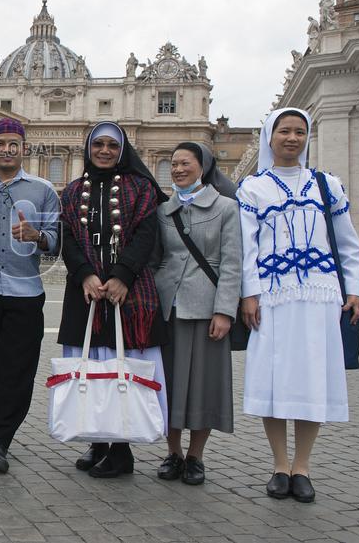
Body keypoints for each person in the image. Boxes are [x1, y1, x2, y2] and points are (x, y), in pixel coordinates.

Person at [237, 108, 359, 503]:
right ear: (269, 136)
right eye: (284, 131)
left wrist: (355, 289)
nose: (292, 138)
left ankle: (302, 466)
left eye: (299, 132)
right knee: (274, 377)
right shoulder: (253, 188)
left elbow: (347, 242)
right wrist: (249, 293)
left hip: (320, 295)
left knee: (313, 376)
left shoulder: (327, 185)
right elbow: (247, 247)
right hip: (273, 295)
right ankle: (279, 464)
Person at [58, 121, 168, 478]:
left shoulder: (141, 188)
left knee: (121, 366)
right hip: (86, 291)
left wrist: (122, 275)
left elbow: (146, 234)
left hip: (129, 293)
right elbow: (68, 239)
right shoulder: (73, 191)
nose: (104, 151)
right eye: (98, 144)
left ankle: (122, 452)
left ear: (122, 151)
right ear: (88, 148)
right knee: (92, 367)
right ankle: (98, 441)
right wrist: (85, 274)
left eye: (112, 145)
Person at [152, 143, 241, 485]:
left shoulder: (226, 208)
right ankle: (173, 452)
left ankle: (196, 456)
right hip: (169, 306)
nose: (177, 169)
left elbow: (232, 263)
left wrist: (224, 310)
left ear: (202, 166)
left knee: (204, 383)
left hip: (207, 307)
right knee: (170, 383)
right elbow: (159, 257)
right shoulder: (164, 210)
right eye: (173, 163)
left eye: (184, 163)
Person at [0, 118, 59, 473]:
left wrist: (37, 236)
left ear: (24, 148)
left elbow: (57, 242)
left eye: (14, 144)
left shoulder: (43, 190)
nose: (7, 149)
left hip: (26, 293)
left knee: (17, 370)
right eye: (0, 143)